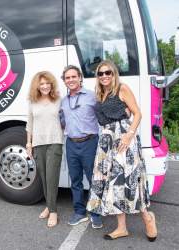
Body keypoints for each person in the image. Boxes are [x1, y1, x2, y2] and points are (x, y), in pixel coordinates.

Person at [86, 60, 157, 241]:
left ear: (114, 73)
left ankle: (147, 217)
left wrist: (129, 135)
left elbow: (138, 113)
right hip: (107, 141)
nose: (104, 76)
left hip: (124, 138)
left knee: (131, 178)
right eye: (100, 73)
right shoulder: (100, 93)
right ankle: (121, 228)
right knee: (113, 182)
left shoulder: (122, 89)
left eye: (107, 72)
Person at [59, 65, 102, 228]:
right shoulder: (63, 101)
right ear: (64, 81)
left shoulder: (92, 97)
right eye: (67, 78)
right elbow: (62, 121)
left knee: (93, 179)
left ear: (80, 78)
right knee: (75, 180)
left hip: (90, 142)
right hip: (71, 143)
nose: (70, 80)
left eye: (73, 77)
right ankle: (79, 212)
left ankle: (96, 213)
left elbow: (102, 116)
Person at [26, 71, 63, 228]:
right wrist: (29, 143)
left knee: (52, 177)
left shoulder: (59, 100)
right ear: (37, 86)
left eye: (47, 83)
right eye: (41, 84)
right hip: (38, 143)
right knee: (44, 176)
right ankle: (49, 206)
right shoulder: (32, 101)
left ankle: (53, 211)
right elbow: (30, 123)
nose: (45, 86)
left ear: (52, 84)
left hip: (55, 141)